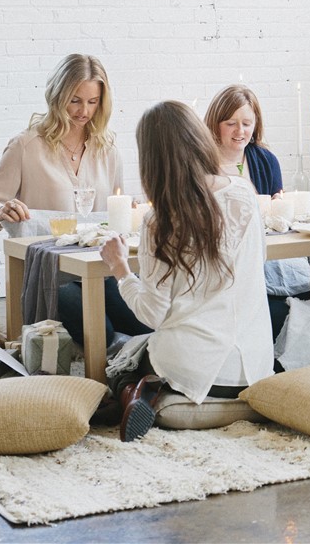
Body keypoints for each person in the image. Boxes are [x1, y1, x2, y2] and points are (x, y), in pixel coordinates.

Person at [100, 100, 274, 441]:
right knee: (142, 346)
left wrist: (120, 268)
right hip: (253, 369)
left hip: (195, 370)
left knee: (124, 359)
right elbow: (260, 261)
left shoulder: (159, 221)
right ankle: (143, 392)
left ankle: (133, 393)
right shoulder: (244, 193)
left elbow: (152, 313)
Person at [0, 54, 150, 346]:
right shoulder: (26, 146)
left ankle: (131, 367)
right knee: (100, 334)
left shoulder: (108, 150)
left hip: (100, 270)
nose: (83, 111)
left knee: (145, 324)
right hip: (52, 275)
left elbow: (116, 214)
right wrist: (1, 210)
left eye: (93, 102)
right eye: (75, 100)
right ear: (57, 97)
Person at [203, 84, 310, 336]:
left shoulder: (265, 160)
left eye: (247, 123)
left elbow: (278, 217)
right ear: (215, 123)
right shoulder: (201, 164)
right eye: (231, 123)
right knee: (273, 315)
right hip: (235, 267)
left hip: (277, 257)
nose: (240, 131)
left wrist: (280, 208)